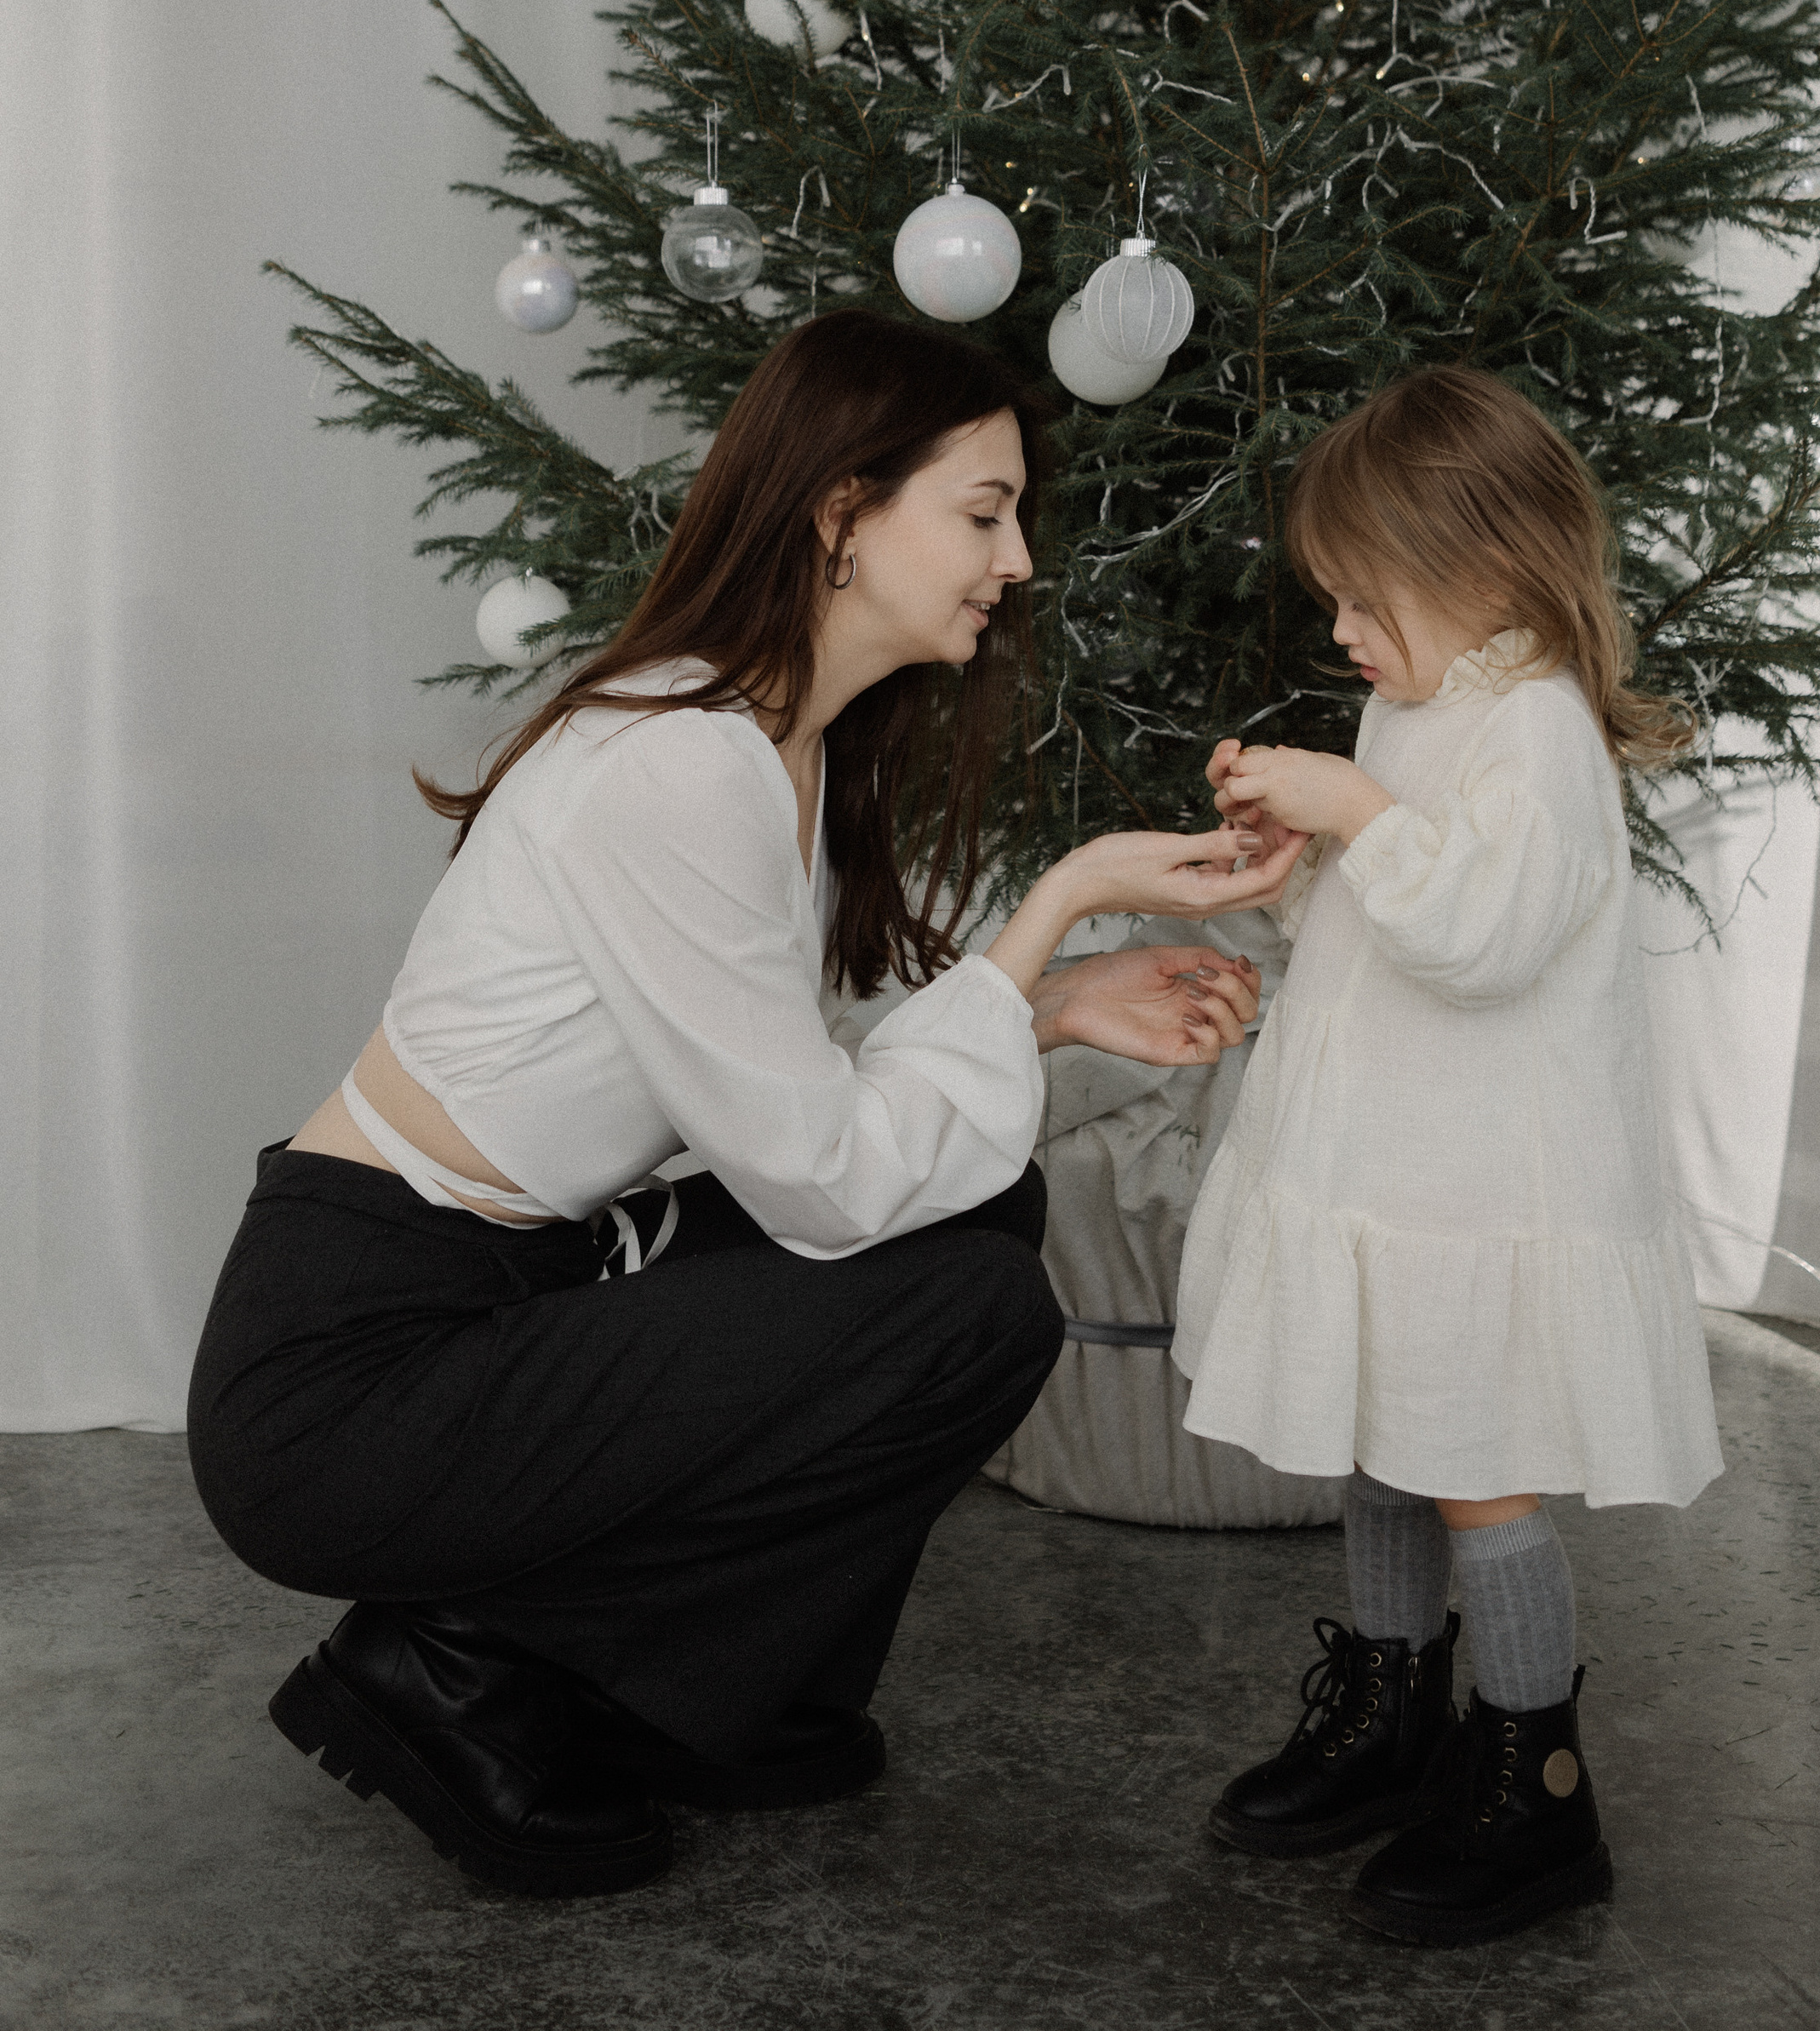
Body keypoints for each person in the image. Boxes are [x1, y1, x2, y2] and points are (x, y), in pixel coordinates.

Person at [188, 309, 1296, 1898]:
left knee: (981, 1215)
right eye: (984, 513)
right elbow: (822, 1185)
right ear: (843, 509)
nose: (1021, 561)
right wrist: (1055, 910)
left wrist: (1040, 1013)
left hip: (515, 1289)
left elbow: (790, 1073)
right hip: (349, 1377)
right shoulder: (683, 761)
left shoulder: (775, 740)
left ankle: (664, 1693)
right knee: (965, 1310)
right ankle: (462, 1669)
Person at [1175, 364, 1722, 1948]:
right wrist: (1303, 861)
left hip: (1484, 1189)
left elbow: (1481, 938)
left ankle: (1536, 1779)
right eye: (1331, 596)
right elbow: (1390, 920)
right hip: (1385, 1169)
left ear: (1486, 567)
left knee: (1477, 1474)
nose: (1339, 627)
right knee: (1388, 1435)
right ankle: (1395, 1715)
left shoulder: (1536, 732)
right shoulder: (1413, 706)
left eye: (1364, 593)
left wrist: (1354, 808)